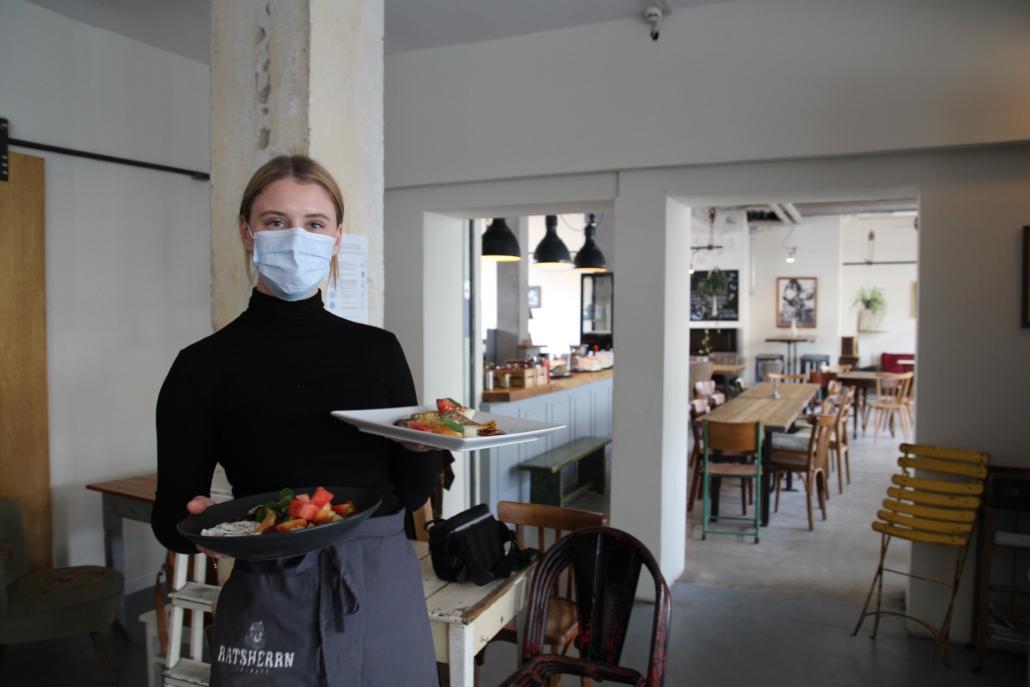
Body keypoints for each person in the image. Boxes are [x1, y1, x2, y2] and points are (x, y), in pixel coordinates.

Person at [151, 155, 437, 686]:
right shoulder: (201, 366)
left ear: (335, 238)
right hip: (269, 583)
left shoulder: (378, 351)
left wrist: (423, 449)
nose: (295, 237)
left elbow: (412, 494)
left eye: (314, 224)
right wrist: (201, 525)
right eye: (276, 221)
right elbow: (171, 516)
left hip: (378, 585)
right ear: (247, 233)